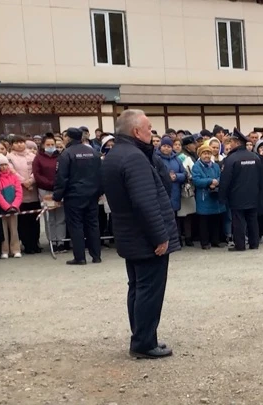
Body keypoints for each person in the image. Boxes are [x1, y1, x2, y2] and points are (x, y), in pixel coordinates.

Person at [102, 109, 180, 359]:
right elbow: (145, 201)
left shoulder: (117, 154)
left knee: (137, 287)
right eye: (148, 128)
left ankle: (141, 336)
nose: (151, 132)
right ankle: (144, 342)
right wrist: (160, 236)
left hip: (129, 233)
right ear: (136, 131)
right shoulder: (134, 158)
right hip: (145, 236)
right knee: (149, 290)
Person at [53, 128, 103, 265]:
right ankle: (96, 255)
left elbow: (61, 178)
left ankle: (80, 257)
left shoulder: (66, 154)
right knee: (93, 224)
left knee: (76, 225)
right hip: (92, 194)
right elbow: (101, 174)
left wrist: (57, 197)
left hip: (74, 195)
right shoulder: (93, 152)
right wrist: (99, 192)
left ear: (68, 138)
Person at [219, 129, 261, 251]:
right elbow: (260, 178)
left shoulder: (231, 159)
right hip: (253, 195)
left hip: (237, 196)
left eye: (231, 141)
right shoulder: (255, 157)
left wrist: (222, 196)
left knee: (238, 221)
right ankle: (254, 243)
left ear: (237, 143)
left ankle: (240, 245)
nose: (229, 144)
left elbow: (225, 180)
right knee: (253, 220)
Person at [7, 135, 42, 253]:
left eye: (21, 142)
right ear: (11, 145)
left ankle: (35, 243)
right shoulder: (9, 157)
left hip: (34, 191)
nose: (19, 145)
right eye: (16, 143)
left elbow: (37, 170)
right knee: (23, 221)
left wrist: (31, 180)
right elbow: (12, 171)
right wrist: (24, 182)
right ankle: (27, 244)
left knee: (35, 220)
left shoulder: (32, 156)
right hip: (19, 193)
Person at [33, 134, 67, 252]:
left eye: (52, 144)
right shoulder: (38, 158)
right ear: (43, 145)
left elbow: (64, 172)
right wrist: (50, 183)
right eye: (48, 144)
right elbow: (37, 175)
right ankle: (52, 240)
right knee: (50, 217)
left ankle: (61, 241)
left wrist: (58, 185)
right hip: (45, 189)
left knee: (61, 217)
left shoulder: (61, 157)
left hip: (60, 189)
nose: (51, 146)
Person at [192, 142, 226, 249]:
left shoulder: (215, 166)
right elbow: (196, 180)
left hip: (215, 195)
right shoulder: (196, 166)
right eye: (204, 153)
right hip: (204, 197)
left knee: (215, 219)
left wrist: (217, 182)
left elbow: (221, 176)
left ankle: (215, 240)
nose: (206, 156)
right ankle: (205, 242)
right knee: (204, 221)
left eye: (208, 153)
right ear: (200, 155)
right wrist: (210, 181)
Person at [0, 154, 23, 259]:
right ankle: (4, 250)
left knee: (14, 229)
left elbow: (19, 192)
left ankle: (15, 249)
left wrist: (15, 205)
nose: (4, 167)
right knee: (3, 230)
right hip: (3, 208)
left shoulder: (14, 177)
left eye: (5, 165)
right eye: (1, 165)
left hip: (14, 207)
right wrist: (6, 206)